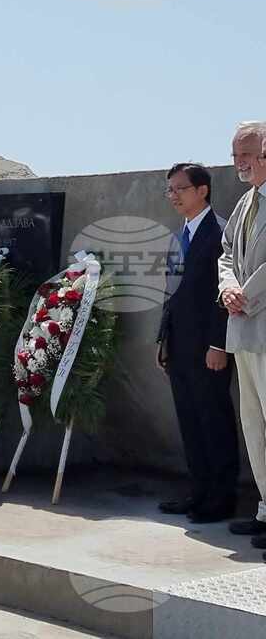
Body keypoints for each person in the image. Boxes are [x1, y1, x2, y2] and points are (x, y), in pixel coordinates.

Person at [157, 162, 238, 523]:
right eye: (169, 189)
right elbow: (171, 294)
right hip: (180, 347)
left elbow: (224, 294)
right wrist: (163, 339)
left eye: (179, 188)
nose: (173, 195)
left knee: (214, 420)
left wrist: (218, 345)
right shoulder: (179, 236)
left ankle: (221, 498)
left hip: (210, 348)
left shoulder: (220, 233)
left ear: (202, 190)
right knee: (190, 421)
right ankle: (199, 491)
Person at [219, 122, 266, 555]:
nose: (240, 164)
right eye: (235, 157)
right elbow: (227, 251)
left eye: (247, 155)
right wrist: (227, 287)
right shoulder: (246, 203)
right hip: (244, 328)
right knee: (253, 424)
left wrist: (244, 292)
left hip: (263, 324)